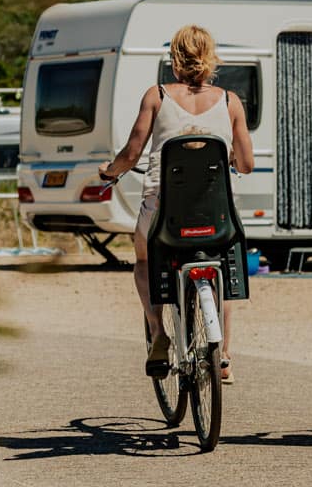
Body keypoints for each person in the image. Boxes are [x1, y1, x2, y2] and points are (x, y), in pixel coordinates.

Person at [98, 24, 254, 381]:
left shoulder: (157, 96)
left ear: (174, 59)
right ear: (211, 58)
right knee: (223, 268)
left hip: (163, 211)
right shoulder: (231, 102)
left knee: (143, 260)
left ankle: (158, 333)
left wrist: (109, 171)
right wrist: (228, 156)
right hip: (216, 212)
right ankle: (224, 355)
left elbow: (131, 152)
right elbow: (246, 164)